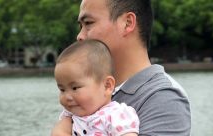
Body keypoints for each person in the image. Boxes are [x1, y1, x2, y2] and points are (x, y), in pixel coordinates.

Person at [51, 0, 191, 135]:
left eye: (88, 23)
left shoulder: (163, 98)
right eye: (80, 26)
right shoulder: (88, 91)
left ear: (127, 23)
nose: (80, 36)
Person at [54, 39, 140, 136]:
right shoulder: (69, 116)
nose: (67, 97)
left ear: (107, 86)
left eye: (74, 88)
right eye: (62, 90)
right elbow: (58, 133)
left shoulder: (116, 115)